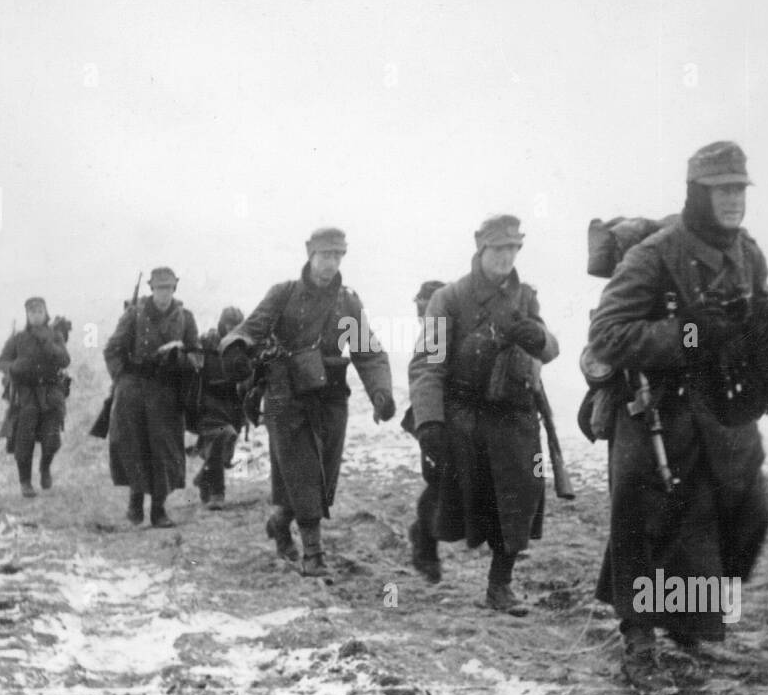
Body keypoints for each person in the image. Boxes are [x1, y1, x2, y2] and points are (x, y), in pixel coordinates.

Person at [586, 141, 768, 695]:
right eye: (722, 190)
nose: (733, 202)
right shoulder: (654, 255)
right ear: (698, 193)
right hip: (660, 413)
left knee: (748, 513)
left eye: (739, 190)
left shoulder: (747, 252)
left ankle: (686, 617)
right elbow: (606, 336)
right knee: (646, 525)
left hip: (725, 413)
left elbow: (760, 315)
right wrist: (688, 334)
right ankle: (640, 643)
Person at [221, 228, 396, 578]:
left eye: (337, 256)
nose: (330, 263)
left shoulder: (347, 303)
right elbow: (248, 328)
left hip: (331, 396)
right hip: (285, 394)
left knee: (323, 474)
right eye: (324, 255)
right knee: (301, 468)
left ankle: (280, 520)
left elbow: (367, 352)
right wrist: (237, 348)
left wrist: (381, 393)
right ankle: (313, 554)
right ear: (309, 253)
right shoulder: (284, 295)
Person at [408, 215, 559, 615]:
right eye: (499, 248)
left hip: (515, 413)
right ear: (481, 248)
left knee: (520, 495)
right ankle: (424, 536)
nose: (507, 257)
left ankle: (500, 586)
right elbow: (428, 362)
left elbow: (551, 349)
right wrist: (430, 422)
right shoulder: (450, 298)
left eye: (513, 249)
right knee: (453, 492)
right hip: (465, 413)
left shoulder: (525, 296)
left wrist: (538, 336)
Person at [103, 266, 201, 528]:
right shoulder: (134, 315)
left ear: (174, 289)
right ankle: (135, 504)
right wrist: (122, 379)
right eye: (159, 288)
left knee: (164, 451)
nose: (164, 293)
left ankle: (159, 510)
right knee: (135, 447)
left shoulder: (185, 318)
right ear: (151, 289)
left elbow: (197, 354)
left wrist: (181, 357)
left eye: (168, 288)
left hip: (167, 393)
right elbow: (112, 349)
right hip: (134, 391)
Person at [0, 297, 71, 498]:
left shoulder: (54, 335)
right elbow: (1, 362)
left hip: (51, 393)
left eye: (39, 312)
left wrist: (50, 346)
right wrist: (12, 367)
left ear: (45, 314)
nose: (35, 316)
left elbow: (65, 360)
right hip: (25, 394)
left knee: (52, 439)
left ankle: (45, 467)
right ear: (27, 316)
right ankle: (25, 482)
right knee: (23, 439)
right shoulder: (18, 339)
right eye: (31, 312)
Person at [400, 280, 447, 582]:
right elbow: (424, 375)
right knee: (441, 480)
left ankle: (424, 537)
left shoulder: (448, 323)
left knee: (448, 482)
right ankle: (424, 540)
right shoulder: (434, 333)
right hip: (433, 420)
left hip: (456, 415)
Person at [192, 306, 246, 510]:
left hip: (233, 405)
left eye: (236, 325)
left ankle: (205, 477)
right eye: (228, 325)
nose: (231, 329)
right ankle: (217, 492)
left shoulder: (243, 346)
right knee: (220, 439)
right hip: (210, 403)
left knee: (226, 449)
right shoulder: (209, 343)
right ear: (221, 324)